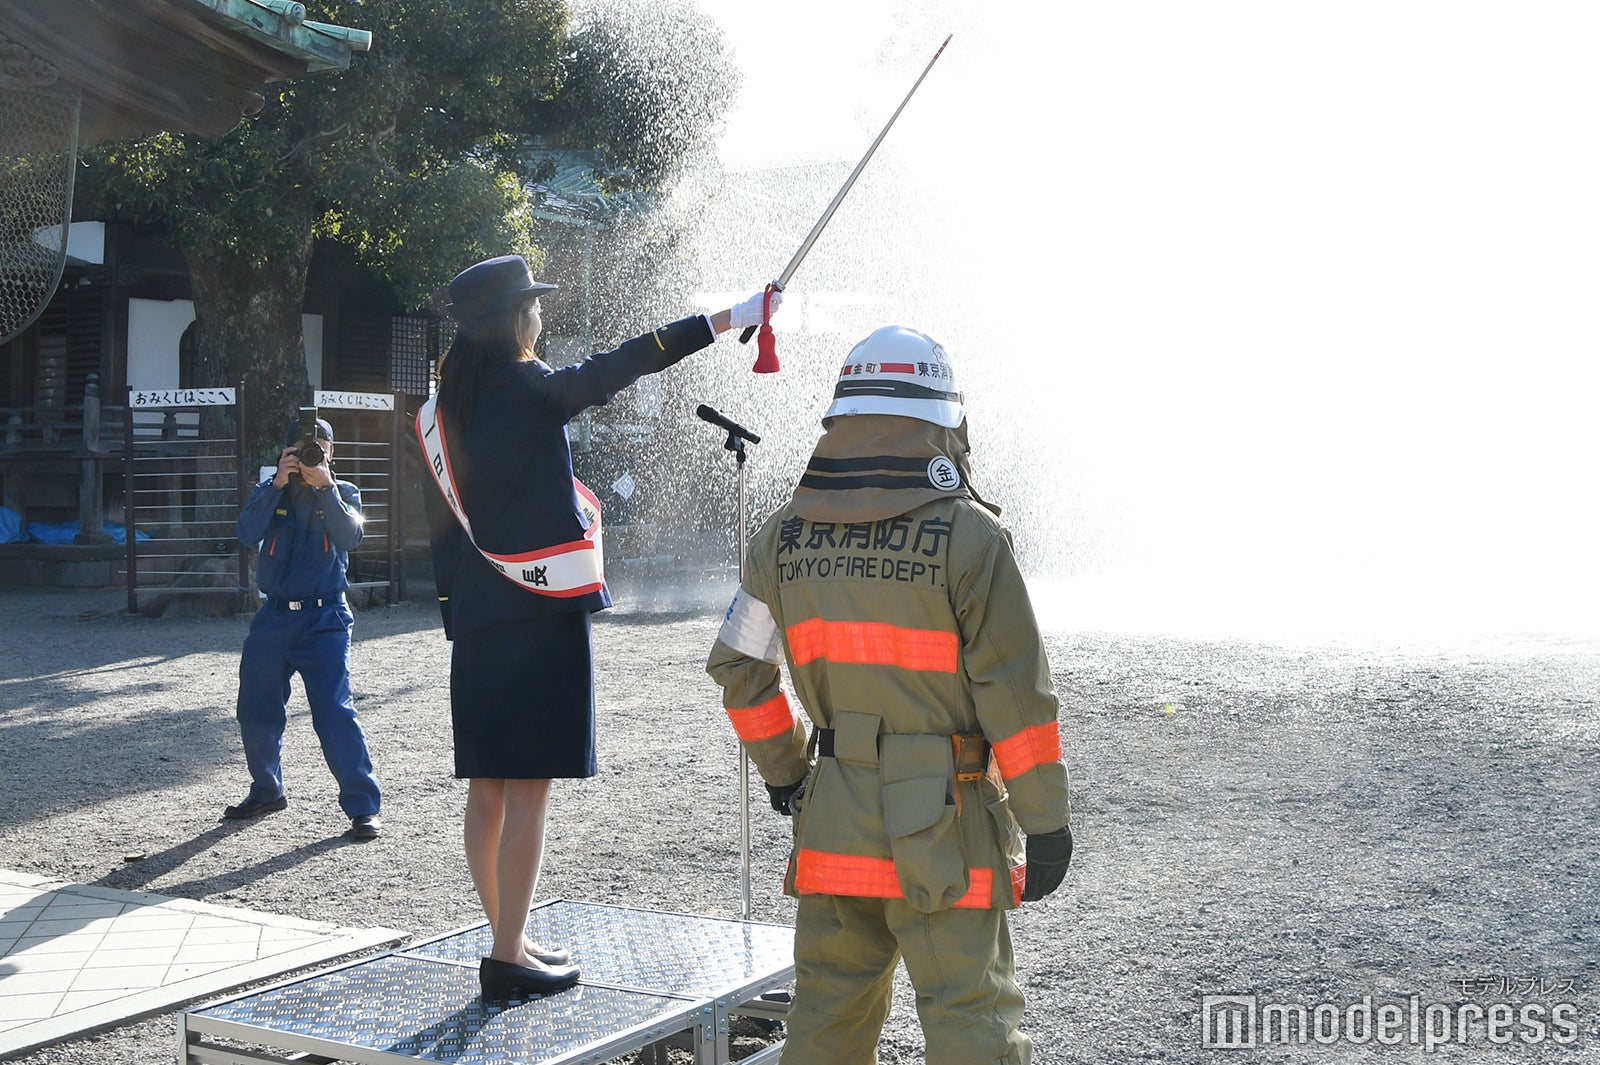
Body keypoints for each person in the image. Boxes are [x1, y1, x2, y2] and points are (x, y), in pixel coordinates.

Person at [705, 325, 1073, 1064]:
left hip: (833, 819)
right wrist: (1046, 817)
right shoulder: (971, 540)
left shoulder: (780, 537)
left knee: (827, 1021)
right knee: (971, 1015)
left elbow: (738, 669)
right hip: (946, 827)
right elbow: (1017, 698)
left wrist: (786, 773)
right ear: (943, 423)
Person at [419, 254, 780, 1001]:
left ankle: (506, 938)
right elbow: (625, 362)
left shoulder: (446, 403)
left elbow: (442, 532)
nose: (542, 315)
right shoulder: (526, 385)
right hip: (539, 614)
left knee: (487, 787)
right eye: (534, 306)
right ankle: (508, 958)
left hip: (482, 619)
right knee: (528, 791)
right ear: (515, 318)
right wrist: (725, 318)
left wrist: (457, 615)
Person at [228, 417, 383, 841]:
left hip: (325, 619)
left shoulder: (344, 492)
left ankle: (363, 807)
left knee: (335, 713)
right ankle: (267, 789)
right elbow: (246, 532)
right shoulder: (270, 491)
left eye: (320, 448)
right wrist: (278, 483)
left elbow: (351, 537)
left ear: (332, 453)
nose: (313, 455)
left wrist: (326, 487)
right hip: (274, 617)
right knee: (255, 708)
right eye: (303, 448)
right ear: (287, 452)